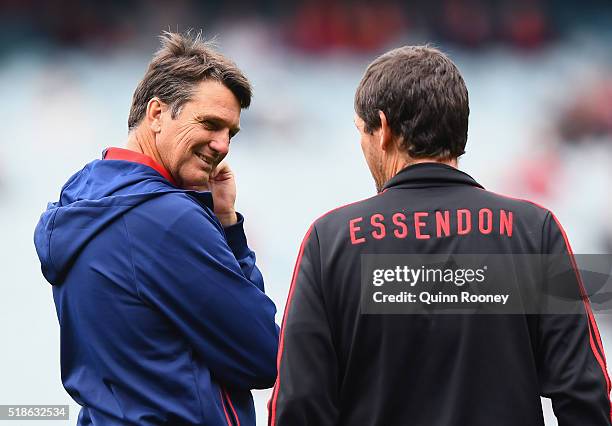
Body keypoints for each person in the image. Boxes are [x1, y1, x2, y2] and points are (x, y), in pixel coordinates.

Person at [269, 46, 611, 425]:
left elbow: (298, 405)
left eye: (361, 131)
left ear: (382, 130)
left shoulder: (330, 240)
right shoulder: (534, 230)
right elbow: (584, 393)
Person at [34, 31, 278, 426]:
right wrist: (229, 228)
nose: (222, 145)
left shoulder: (81, 203)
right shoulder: (168, 219)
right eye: (210, 124)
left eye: (230, 133)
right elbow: (264, 355)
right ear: (157, 114)